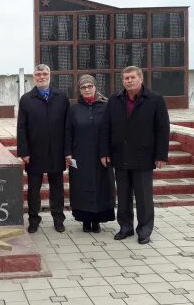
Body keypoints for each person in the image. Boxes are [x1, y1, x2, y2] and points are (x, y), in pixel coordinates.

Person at [100, 66, 170, 245]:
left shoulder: (155, 100)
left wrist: (161, 155)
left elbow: (163, 129)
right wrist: (104, 152)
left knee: (143, 196)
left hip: (143, 157)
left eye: (132, 77)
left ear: (141, 79)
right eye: (126, 78)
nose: (129, 81)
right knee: (123, 195)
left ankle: (144, 230)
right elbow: (106, 128)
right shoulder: (114, 100)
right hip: (120, 155)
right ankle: (125, 227)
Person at [17, 64, 70, 233]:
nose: (41, 77)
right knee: (33, 188)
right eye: (38, 74)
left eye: (44, 74)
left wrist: (67, 151)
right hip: (35, 152)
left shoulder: (61, 97)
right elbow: (21, 127)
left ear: (50, 75)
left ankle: (58, 218)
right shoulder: (26, 99)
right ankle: (33, 219)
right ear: (34, 77)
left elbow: (68, 126)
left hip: (56, 151)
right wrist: (24, 152)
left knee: (57, 188)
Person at [65, 75, 116, 233]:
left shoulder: (106, 106)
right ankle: (85, 220)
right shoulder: (73, 109)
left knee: (102, 186)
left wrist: (109, 152)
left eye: (89, 86)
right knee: (82, 187)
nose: (87, 89)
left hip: (101, 155)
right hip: (80, 155)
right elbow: (67, 132)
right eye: (83, 87)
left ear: (95, 87)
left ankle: (98, 220)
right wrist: (67, 153)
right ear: (79, 90)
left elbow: (111, 131)